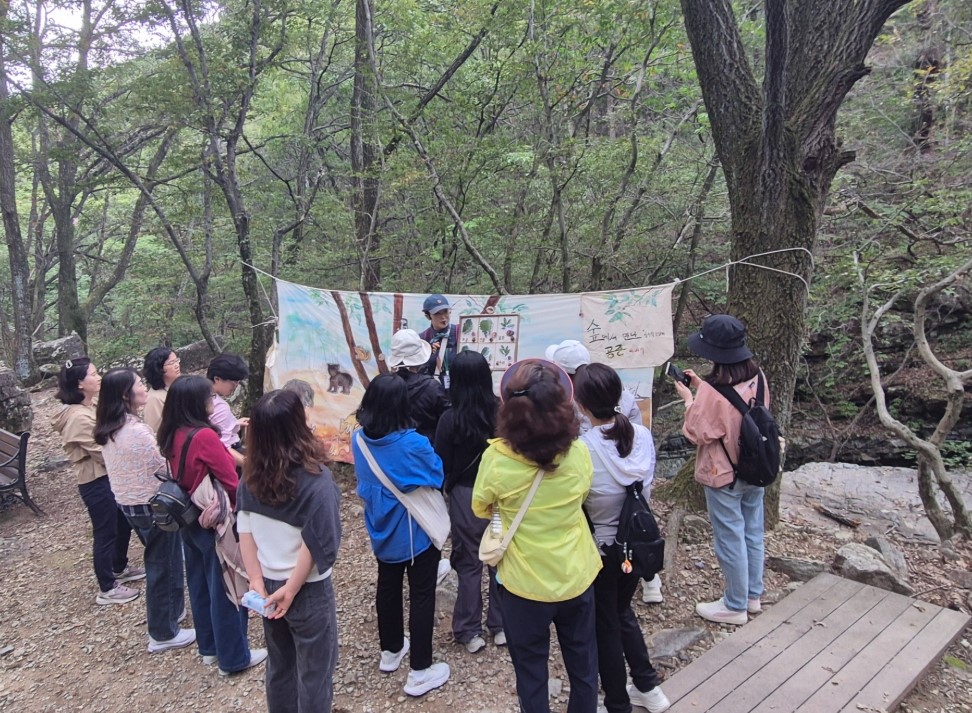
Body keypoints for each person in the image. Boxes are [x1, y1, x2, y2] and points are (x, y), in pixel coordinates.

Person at [472, 359, 601, 713]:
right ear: (564, 404)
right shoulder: (579, 454)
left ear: (509, 409)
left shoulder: (496, 461)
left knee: (530, 672)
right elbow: (583, 494)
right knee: (584, 666)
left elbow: (481, 507)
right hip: (576, 574)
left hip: (524, 583)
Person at [238, 390, 342, 713]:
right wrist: (292, 588)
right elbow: (317, 542)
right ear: (299, 424)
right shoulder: (316, 480)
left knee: (280, 664)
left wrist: (255, 579)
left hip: (268, 585)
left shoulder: (250, 476)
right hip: (305, 589)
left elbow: (245, 527)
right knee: (315, 672)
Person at [575, 364, 670, 713]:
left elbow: (579, 497)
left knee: (606, 624)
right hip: (638, 545)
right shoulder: (642, 436)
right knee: (621, 611)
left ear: (582, 405)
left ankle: (617, 702)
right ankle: (647, 686)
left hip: (603, 549)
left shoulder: (583, 449)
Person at [156, 375, 267, 674]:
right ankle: (233, 658)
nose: (213, 402)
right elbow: (231, 480)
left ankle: (209, 648)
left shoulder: (171, 432)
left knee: (199, 582)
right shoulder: (203, 435)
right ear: (197, 402)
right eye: (209, 397)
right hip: (214, 519)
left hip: (188, 516)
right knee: (227, 587)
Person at [352, 374, 451, 697]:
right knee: (422, 595)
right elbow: (436, 474)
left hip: (381, 529)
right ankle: (420, 670)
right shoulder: (412, 443)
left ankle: (391, 651)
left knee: (388, 585)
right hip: (414, 532)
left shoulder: (359, 440)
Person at [545, 340, 661, 604]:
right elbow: (635, 457)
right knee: (621, 611)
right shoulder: (637, 428)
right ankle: (651, 578)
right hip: (635, 517)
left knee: (606, 614)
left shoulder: (580, 435)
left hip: (600, 539)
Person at [675, 314, 767, 626]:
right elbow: (734, 409)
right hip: (756, 467)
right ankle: (753, 595)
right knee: (752, 531)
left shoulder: (714, 393)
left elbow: (696, 432)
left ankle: (734, 605)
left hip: (723, 473)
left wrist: (690, 399)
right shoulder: (759, 377)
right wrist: (702, 389)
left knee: (730, 537)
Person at [94, 368, 195, 652]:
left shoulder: (110, 429)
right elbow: (164, 467)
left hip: (129, 504)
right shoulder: (135, 432)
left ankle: (173, 613)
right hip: (153, 505)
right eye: (138, 383)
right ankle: (162, 633)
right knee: (162, 565)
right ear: (126, 394)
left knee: (168, 559)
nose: (143, 387)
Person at [53, 358, 144, 605]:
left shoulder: (89, 408)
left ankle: (118, 567)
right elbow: (103, 450)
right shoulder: (77, 417)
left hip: (109, 478)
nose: (99, 377)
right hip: (96, 481)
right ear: (80, 383)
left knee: (122, 523)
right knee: (105, 531)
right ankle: (107, 587)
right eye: (94, 374)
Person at [433, 351, 504, 654]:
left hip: (465, 495)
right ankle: (502, 626)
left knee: (469, 562)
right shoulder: (500, 412)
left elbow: (440, 462)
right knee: (501, 558)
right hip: (501, 495)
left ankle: (469, 629)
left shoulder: (450, 419)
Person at [388, 328, 448, 442]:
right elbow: (446, 417)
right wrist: (443, 374)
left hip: (395, 445)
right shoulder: (432, 387)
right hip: (427, 446)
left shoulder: (387, 385)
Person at [207, 353, 250, 468]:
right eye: (233, 382)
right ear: (217, 379)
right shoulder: (219, 406)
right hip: (232, 457)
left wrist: (235, 423)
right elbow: (223, 448)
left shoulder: (201, 395)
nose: (236, 386)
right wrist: (248, 465)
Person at [418, 294, 458, 388]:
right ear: (428, 316)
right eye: (437, 313)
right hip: (434, 391)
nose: (443, 317)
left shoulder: (459, 332)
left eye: (445, 312)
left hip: (459, 388)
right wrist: (428, 353)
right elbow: (418, 371)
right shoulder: (423, 338)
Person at [143, 347, 181, 432]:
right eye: (171, 363)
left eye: (177, 360)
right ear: (158, 368)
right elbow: (155, 431)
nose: (177, 365)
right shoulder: (154, 399)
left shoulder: (179, 387)